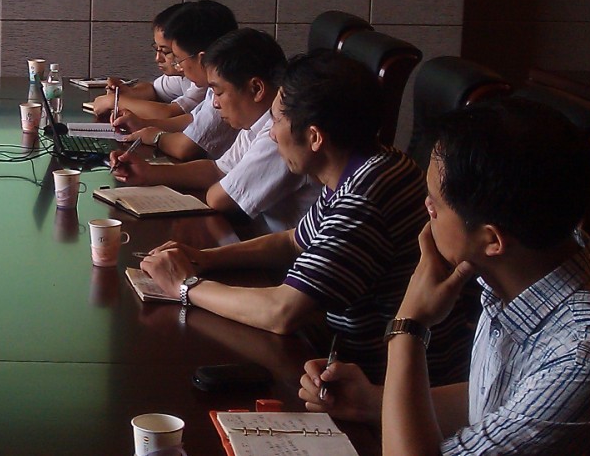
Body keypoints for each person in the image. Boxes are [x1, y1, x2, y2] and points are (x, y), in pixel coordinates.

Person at [298, 97, 590, 455]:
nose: (425, 208)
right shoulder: (524, 271)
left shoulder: (584, 357)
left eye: (435, 204)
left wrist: (408, 328)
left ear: (491, 240)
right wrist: (372, 401)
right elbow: (500, 401)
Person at [140, 51, 470, 382]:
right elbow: (294, 241)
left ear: (314, 137)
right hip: (344, 357)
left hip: (380, 382)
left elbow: (282, 312)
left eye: (276, 121)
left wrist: (186, 285)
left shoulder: (362, 199)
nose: (271, 134)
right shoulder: (377, 161)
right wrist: (205, 258)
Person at [111, 28, 316, 227]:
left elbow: (220, 199)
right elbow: (217, 170)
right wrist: (149, 173)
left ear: (256, 89)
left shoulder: (280, 136)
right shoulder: (255, 123)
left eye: (218, 93)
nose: (215, 104)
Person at [112, 0, 241, 159]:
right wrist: (143, 124)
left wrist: (156, 137)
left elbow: (185, 148)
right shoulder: (213, 88)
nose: (178, 67)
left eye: (178, 59)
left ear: (202, 59)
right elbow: (193, 120)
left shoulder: (226, 95)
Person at [88, 2, 206, 121]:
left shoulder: (203, 80)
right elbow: (153, 89)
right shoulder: (182, 75)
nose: (158, 58)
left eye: (166, 51)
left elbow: (169, 115)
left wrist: (114, 101)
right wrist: (128, 92)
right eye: (157, 49)